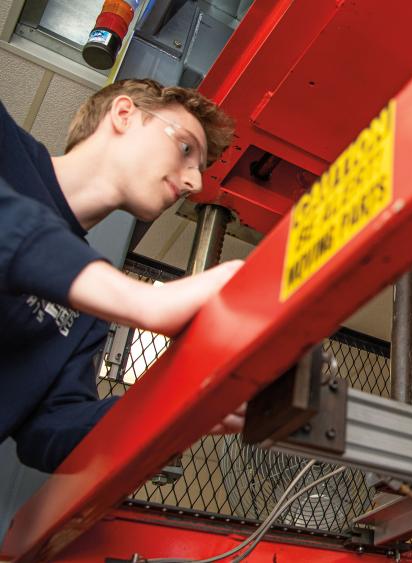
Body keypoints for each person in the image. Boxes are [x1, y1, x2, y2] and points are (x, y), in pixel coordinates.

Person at [1, 79, 245, 473]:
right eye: (185, 149)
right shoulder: (6, 149)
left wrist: (176, 411)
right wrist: (144, 301)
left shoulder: (88, 312)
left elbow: (45, 434)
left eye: (198, 169)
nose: (194, 183)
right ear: (124, 114)